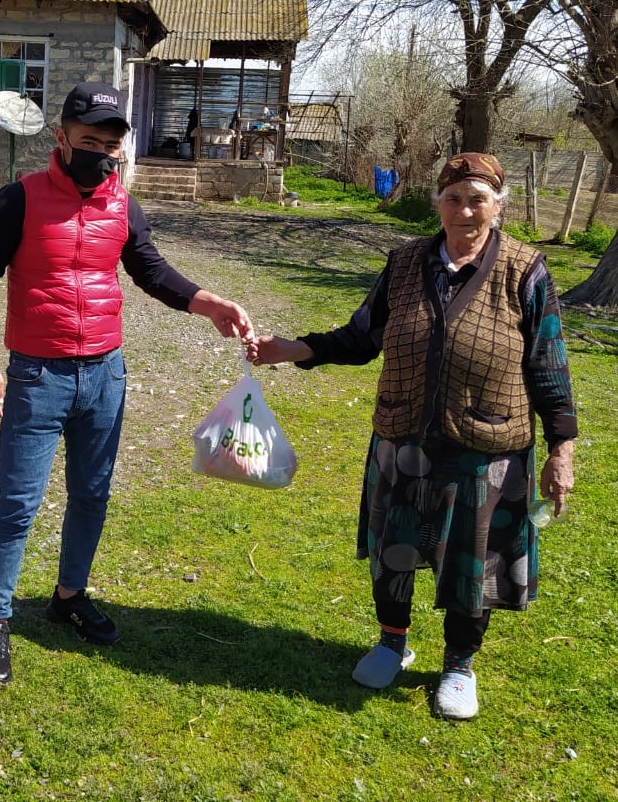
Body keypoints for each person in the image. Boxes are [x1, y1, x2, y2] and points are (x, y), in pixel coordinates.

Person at [246, 152, 577, 720]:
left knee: (471, 563)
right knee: (394, 551)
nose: (465, 210)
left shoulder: (526, 270)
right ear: (437, 204)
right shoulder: (404, 263)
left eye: (478, 199)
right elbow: (360, 336)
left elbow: (549, 365)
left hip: (487, 445)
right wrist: (292, 350)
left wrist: (561, 448)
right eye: (453, 198)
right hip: (404, 439)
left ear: (498, 206)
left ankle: (458, 665)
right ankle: (391, 643)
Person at [0, 81, 254, 685]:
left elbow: (149, 268)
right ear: (61, 137)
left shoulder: (123, 205)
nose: (101, 152)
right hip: (37, 375)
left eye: (111, 143)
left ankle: (69, 597)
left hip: (105, 373)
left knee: (92, 495)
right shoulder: (16, 200)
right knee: (18, 503)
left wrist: (209, 303)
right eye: (88, 140)